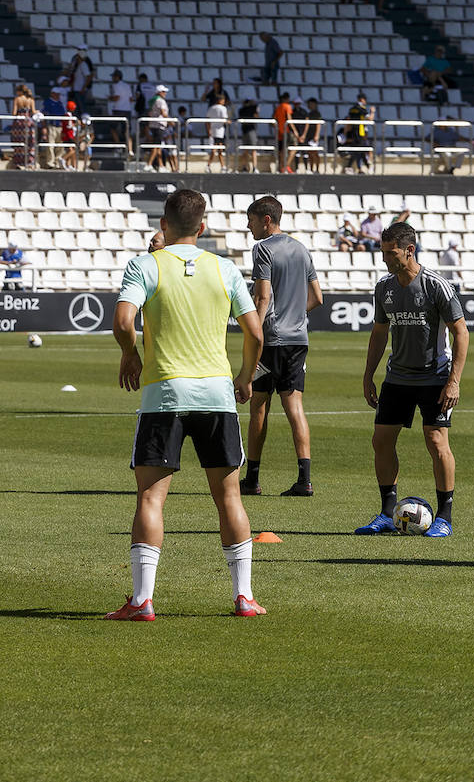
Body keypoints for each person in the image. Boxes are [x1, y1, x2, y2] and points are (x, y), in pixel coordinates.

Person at [108, 188, 265, 621]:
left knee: (151, 499)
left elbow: (123, 320)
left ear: (163, 224)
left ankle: (142, 600)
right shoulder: (225, 268)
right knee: (229, 496)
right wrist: (245, 377)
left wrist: (130, 352)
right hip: (217, 394)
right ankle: (244, 597)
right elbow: (255, 334)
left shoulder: (146, 264)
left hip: (166, 394)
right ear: (202, 227)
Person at [357, 223, 468, 538]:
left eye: (391, 253)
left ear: (409, 250)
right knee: (381, 440)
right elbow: (379, 333)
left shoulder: (437, 286)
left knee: (436, 441)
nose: (385, 259)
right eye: (383, 253)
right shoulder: (384, 288)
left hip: (435, 377)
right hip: (397, 377)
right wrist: (368, 376)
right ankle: (385, 513)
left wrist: (454, 381)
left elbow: (461, 332)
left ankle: (444, 516)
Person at [241, 196, 323, 499]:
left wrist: (255, 334)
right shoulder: (301, 249)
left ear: (265, 219)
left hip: (271, 339)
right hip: (298, 340)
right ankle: (305, 479)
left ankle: (252, 479)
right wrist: (295, 316)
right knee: (295, 408)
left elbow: (262, 298)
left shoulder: (263, 249)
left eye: (250, 220)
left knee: (259, 405)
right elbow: (317, 297)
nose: (247, 226)